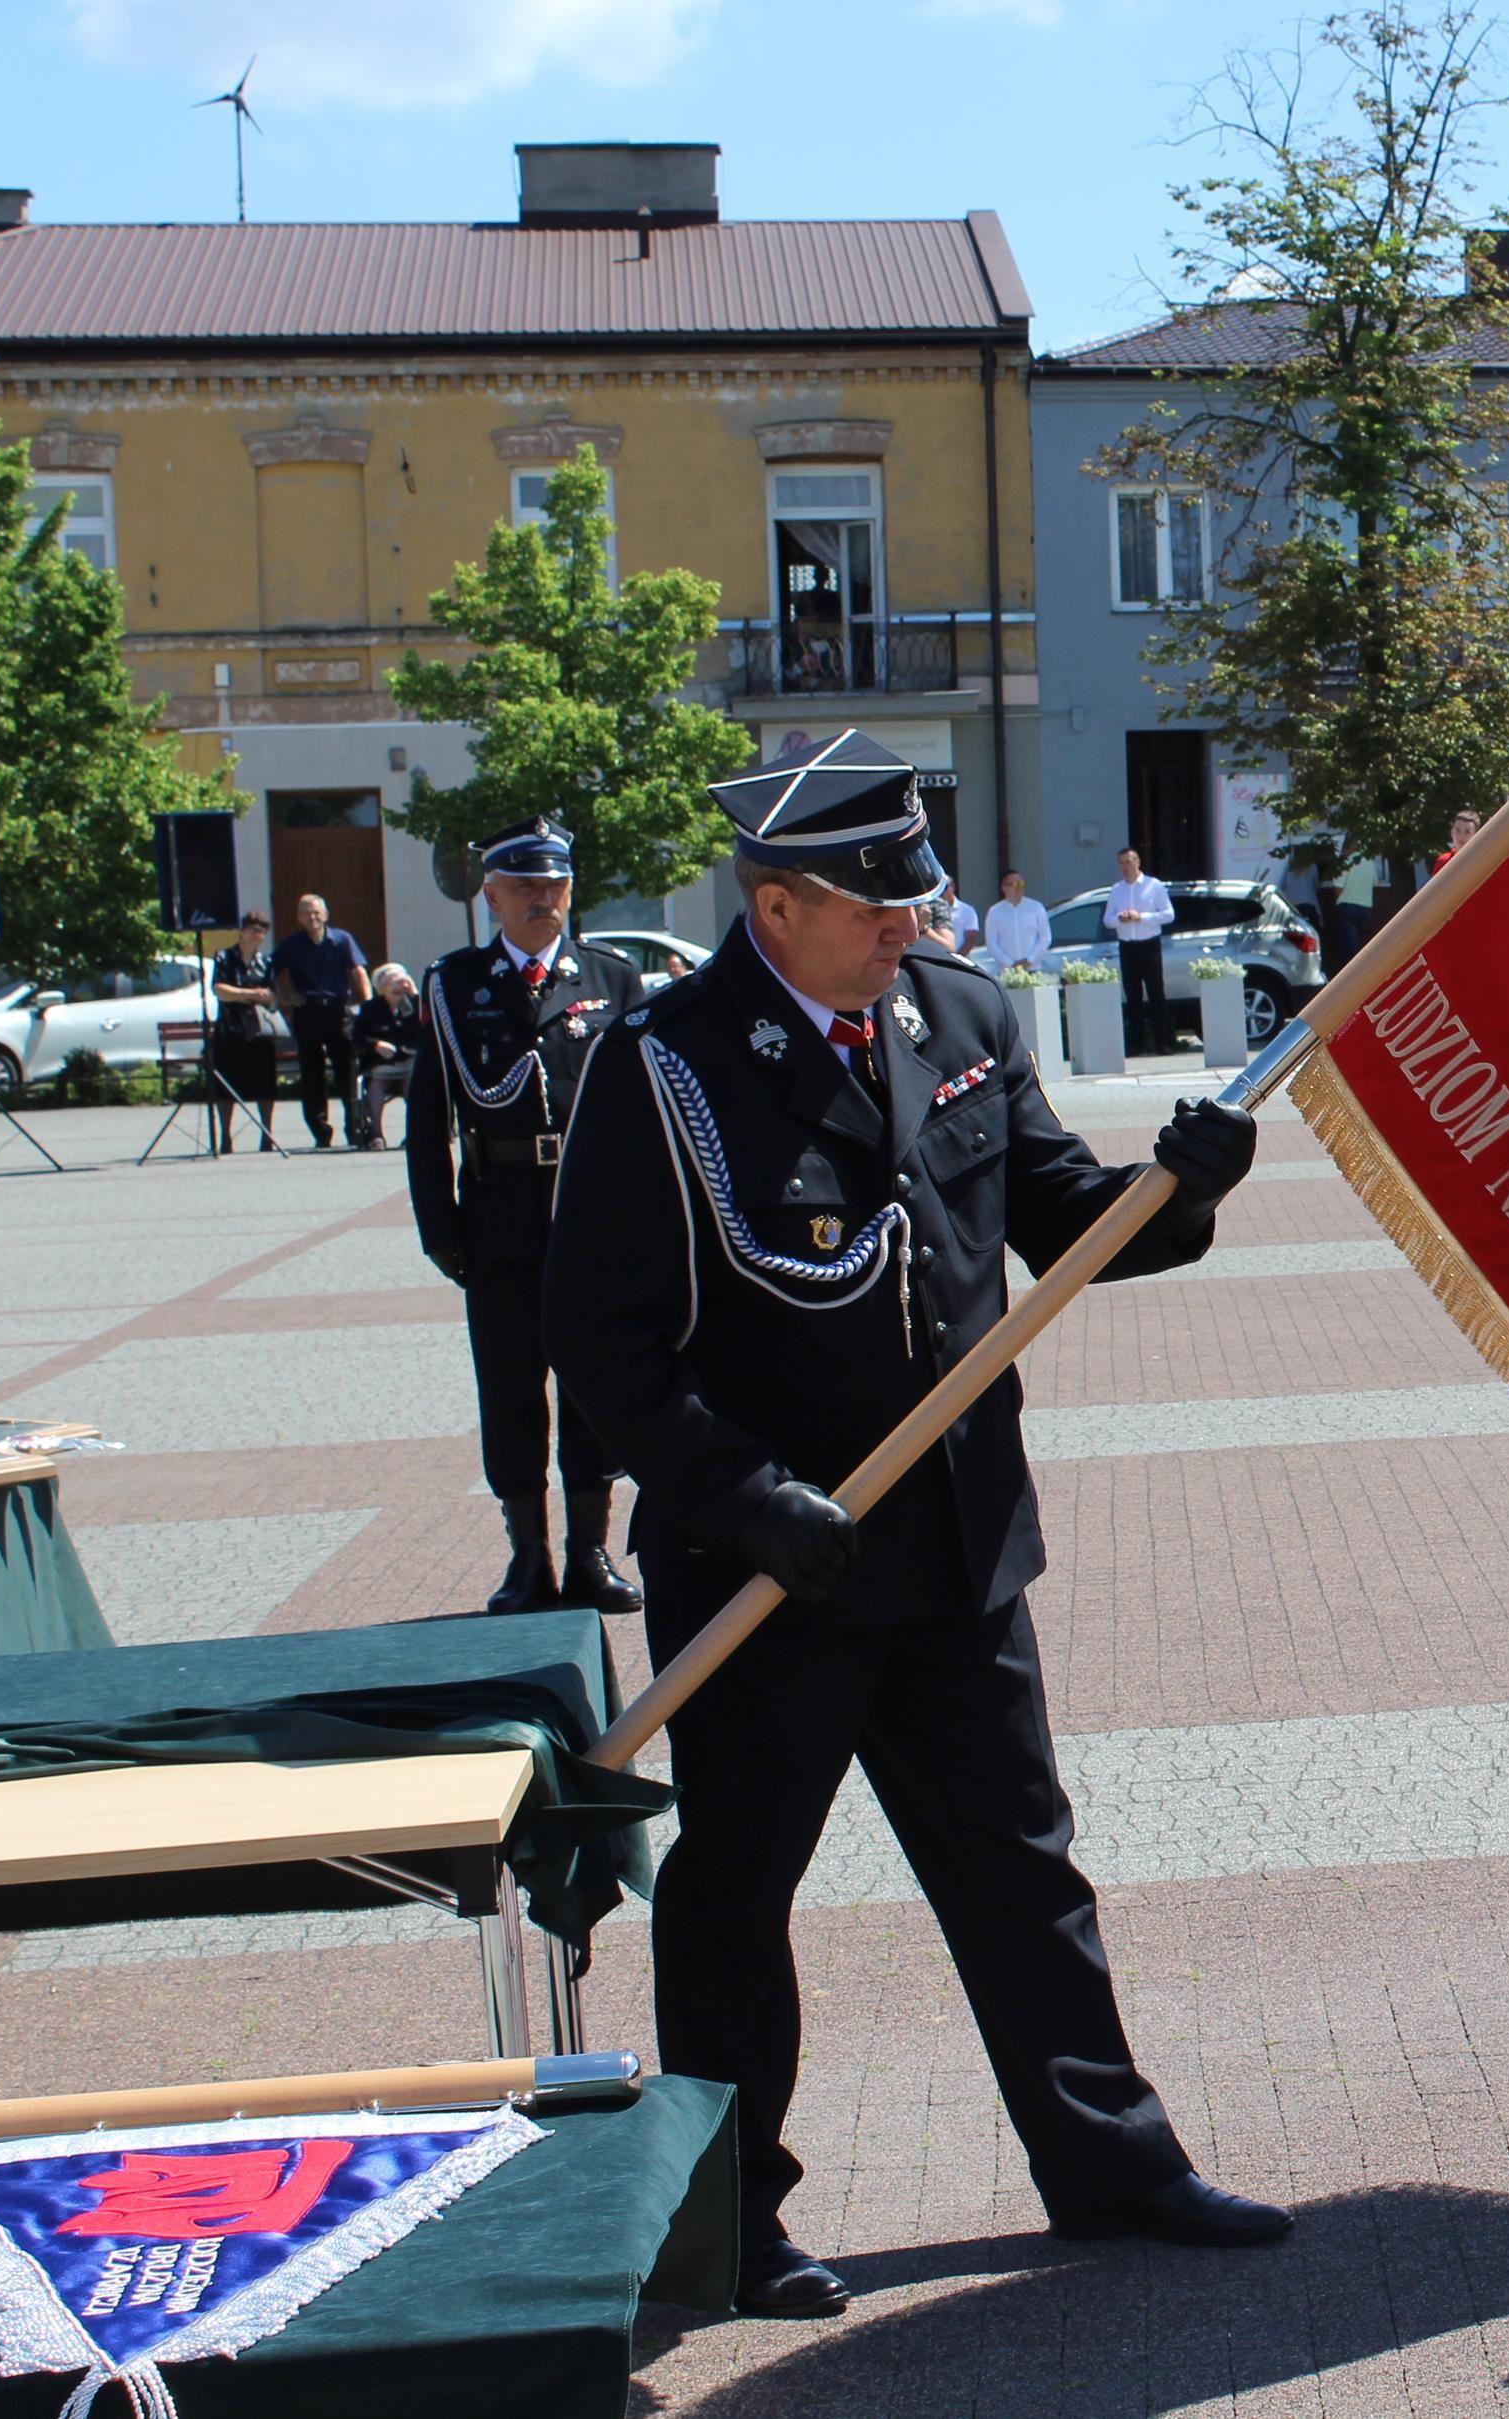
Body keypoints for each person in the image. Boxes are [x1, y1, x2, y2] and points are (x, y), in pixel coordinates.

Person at [545, 730, 1281, 2319]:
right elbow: (601, 1342)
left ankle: (1113, 2161)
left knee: (1025, 1869)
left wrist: (1184, 1187)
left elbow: (1061, 1226)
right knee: (738, 1893)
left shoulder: (958, 1011)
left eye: (915, 899)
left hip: (950, 1549)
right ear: (776, 900)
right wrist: (739, 1492)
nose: (910, 926)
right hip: (770, 1573)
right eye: (874, 906)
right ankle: (733, 2217)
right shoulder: (662, 1061)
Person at [411, 821, 650, 1615]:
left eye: (553, 887)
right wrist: (441, 1228)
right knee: (510, 1390)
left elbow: (647, 1115)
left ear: (571, 891)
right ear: (492, 896)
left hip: (595, 1219)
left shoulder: (612, 980)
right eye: (523, 888)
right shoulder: (453, 985)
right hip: (500, 1218)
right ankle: (528, 1559)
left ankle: (590, 1553)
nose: (541, 900)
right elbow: (427, 1120)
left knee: (593, 1384)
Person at [269, 892, 373, 1147]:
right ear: (298, 918)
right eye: (306, 912)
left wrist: (368, 1004)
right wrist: (284, 998)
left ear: (325, 915)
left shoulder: (342, 939)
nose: (312, 917)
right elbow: (269, 971)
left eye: (316, 912)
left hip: (338, 1011)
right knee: (312, 1074)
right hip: (307, 1012)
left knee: (347, 1072)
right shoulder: (292, 944)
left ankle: (355, 1128)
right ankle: (321, 1132)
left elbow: (358, 970)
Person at [209, 915, 284, 1151]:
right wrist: (250, 994)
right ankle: (225, 1137)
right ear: (241, 931)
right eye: (252, 930)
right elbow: (220, 990)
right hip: (230, 1028)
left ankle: (267, 1134)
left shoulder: (266, 962)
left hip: (258, 1031)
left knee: (265, 1083)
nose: (256, 935)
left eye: (261, 931)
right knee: (225, 1084)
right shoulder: (224, 957)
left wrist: (262, 996)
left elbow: (272, 996)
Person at [1107, 844, 1176, 1056]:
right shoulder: (1116, 890)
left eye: (1129, 862)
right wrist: (1120, 919)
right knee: (1133, 996)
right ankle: (1138, 1044)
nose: (1126, 866)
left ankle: (1162, 1043)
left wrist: (1141, 916)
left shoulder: (1153, 886)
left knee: (1156, 994)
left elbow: (1168, 914)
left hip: (1149, 945)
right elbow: (1107, 920)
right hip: (1127, 946)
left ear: (1138, 862)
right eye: (1122, 863)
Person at [354, 963, 424, 1148]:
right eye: (391, 983)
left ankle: (416, 1133)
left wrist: (415, 994)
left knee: (414, 1084)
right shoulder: (370, 1009)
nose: (397, 988)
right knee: (376, 1085)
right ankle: (376, 1134)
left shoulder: (414, 1005)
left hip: (410, 1060)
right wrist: (375, 1044)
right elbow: (357, 1037)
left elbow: (430, 1026)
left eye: (401, 982)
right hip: (381, 1063)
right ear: (381, 988)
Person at [980, 869, 1053, 976]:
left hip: (1033, 969)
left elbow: (1045, 938)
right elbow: (991, 943)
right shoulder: (995, 912)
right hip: (1007, 971)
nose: (1019, 888)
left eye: (1021, 883)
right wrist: (1010, 963)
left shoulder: (1036, 907)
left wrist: (1029, 960)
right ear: (1004, 888)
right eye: (1015, 884)